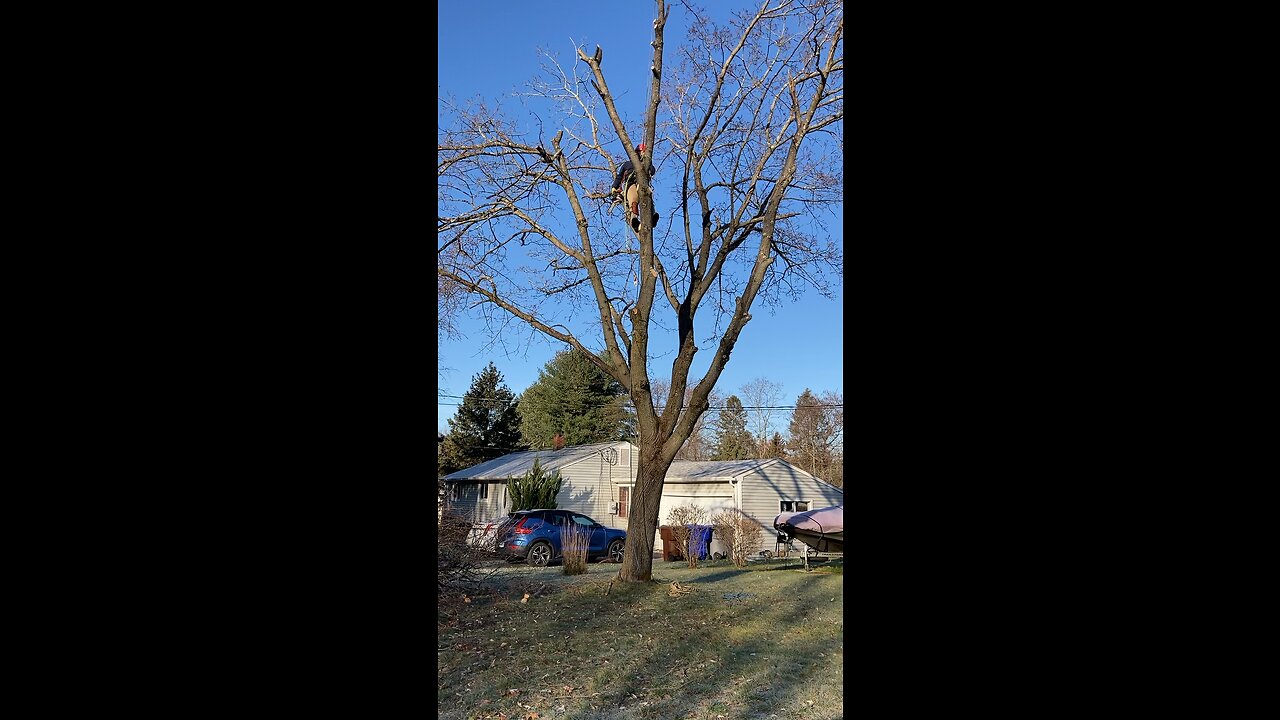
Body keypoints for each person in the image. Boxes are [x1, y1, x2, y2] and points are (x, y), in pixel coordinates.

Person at [611, 143, 659, 231]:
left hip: (643, 184)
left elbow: (652, 171)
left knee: (648, 197)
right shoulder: (627, 164)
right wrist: (614, 187)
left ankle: (652, 215)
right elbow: (619, 176)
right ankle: (634, 220)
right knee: (633, 198)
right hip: (631, 184)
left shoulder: (646, 164)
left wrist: (647, 162)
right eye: (641, 152)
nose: (642, 153)